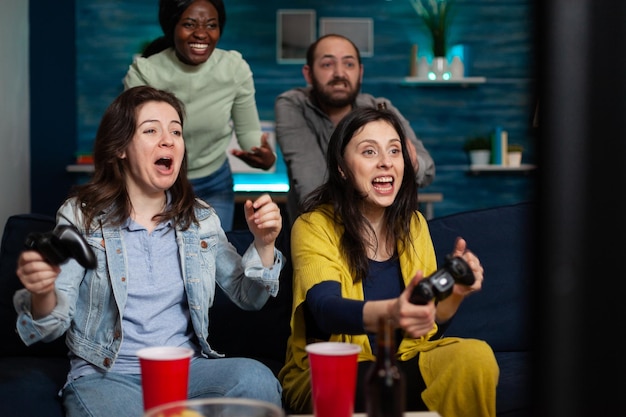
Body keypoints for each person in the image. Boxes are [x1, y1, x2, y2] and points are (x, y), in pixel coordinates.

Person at [14, 86, 284, 417]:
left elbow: (249, 295)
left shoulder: (199, 218)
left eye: (175, 131)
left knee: (256, 380)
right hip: (107, 377)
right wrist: (42, 292)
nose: (168, 140)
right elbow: (49, 325)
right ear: (121, 148)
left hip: (184, 373)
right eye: (151, 130)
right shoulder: (80, 215)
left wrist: (264, 242)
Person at [278, 107, 498, 417]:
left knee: (476, 356)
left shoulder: (415, 225)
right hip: (335, 368)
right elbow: (326, 310)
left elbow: (429, 326)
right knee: (373, 387)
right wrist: (392, 313)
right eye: (369, 151)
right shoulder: (313, 225)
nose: (386, 161)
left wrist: (457, 292)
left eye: (394, 150)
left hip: (405, 359)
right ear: (342, 168)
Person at [124, 0, 276, 231]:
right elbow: (133, 139)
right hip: (158, 182)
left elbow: (248, 132)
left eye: (211, 25)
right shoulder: (145, 72)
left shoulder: (234, 68)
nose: (201, 34)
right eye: (189, 24)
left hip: (214, 182)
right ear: (172, 26)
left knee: (214, 258)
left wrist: (263, 155)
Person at [274, 34, 436, 225]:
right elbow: (312, 186)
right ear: (308, 73)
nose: (339, 74)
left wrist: (412, 164)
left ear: (360, 72)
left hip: (390, 234)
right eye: (327, 64)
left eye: (349, 64)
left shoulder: (380, 107)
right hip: (323, 232)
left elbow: (427, 169)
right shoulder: (293, 105)